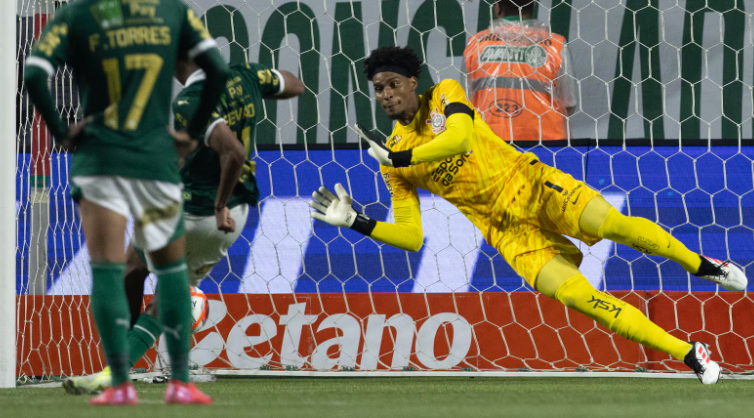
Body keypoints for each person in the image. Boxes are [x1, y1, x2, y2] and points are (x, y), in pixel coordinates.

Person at [310, 46, 748, 384]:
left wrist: (403, 156)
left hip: (534, 185)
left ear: (412, 82)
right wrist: (356, 222)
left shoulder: (444, 96)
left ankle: (702, 264)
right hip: (505, 232)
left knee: (614, 225)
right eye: (378, 90)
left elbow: (461, 139)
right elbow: (411, 237)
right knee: (582, 299)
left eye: (392, 85)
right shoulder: (392, 159)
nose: (386, 97)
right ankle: (690, 354)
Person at [25, 0, 229, 405]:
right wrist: (191, 132)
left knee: (106, 267)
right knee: (171, 270)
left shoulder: (78, 13)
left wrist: (61, 131)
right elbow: (218, 69)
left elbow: (34, 73)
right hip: (155, 158)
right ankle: (181, 382)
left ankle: (119, 383)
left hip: (100, 158)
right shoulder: (173, 11)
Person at [61, 57, 304, 395]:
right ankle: (139, 349)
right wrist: (252, 94)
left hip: (202, 214)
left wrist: (219, 205)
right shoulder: (244, 74)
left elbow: (232, 151)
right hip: (219, 211)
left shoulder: (190, 101)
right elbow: (295, 83)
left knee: (161, 286)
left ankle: (118, 370)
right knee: (133, 268)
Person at [463, 0, 577, 141]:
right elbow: (569, 103)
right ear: (533, 5)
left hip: (490, 147)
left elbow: (465, 103)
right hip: (545, 147)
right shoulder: (555, 44)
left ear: (497, 6)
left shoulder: (475, 44)